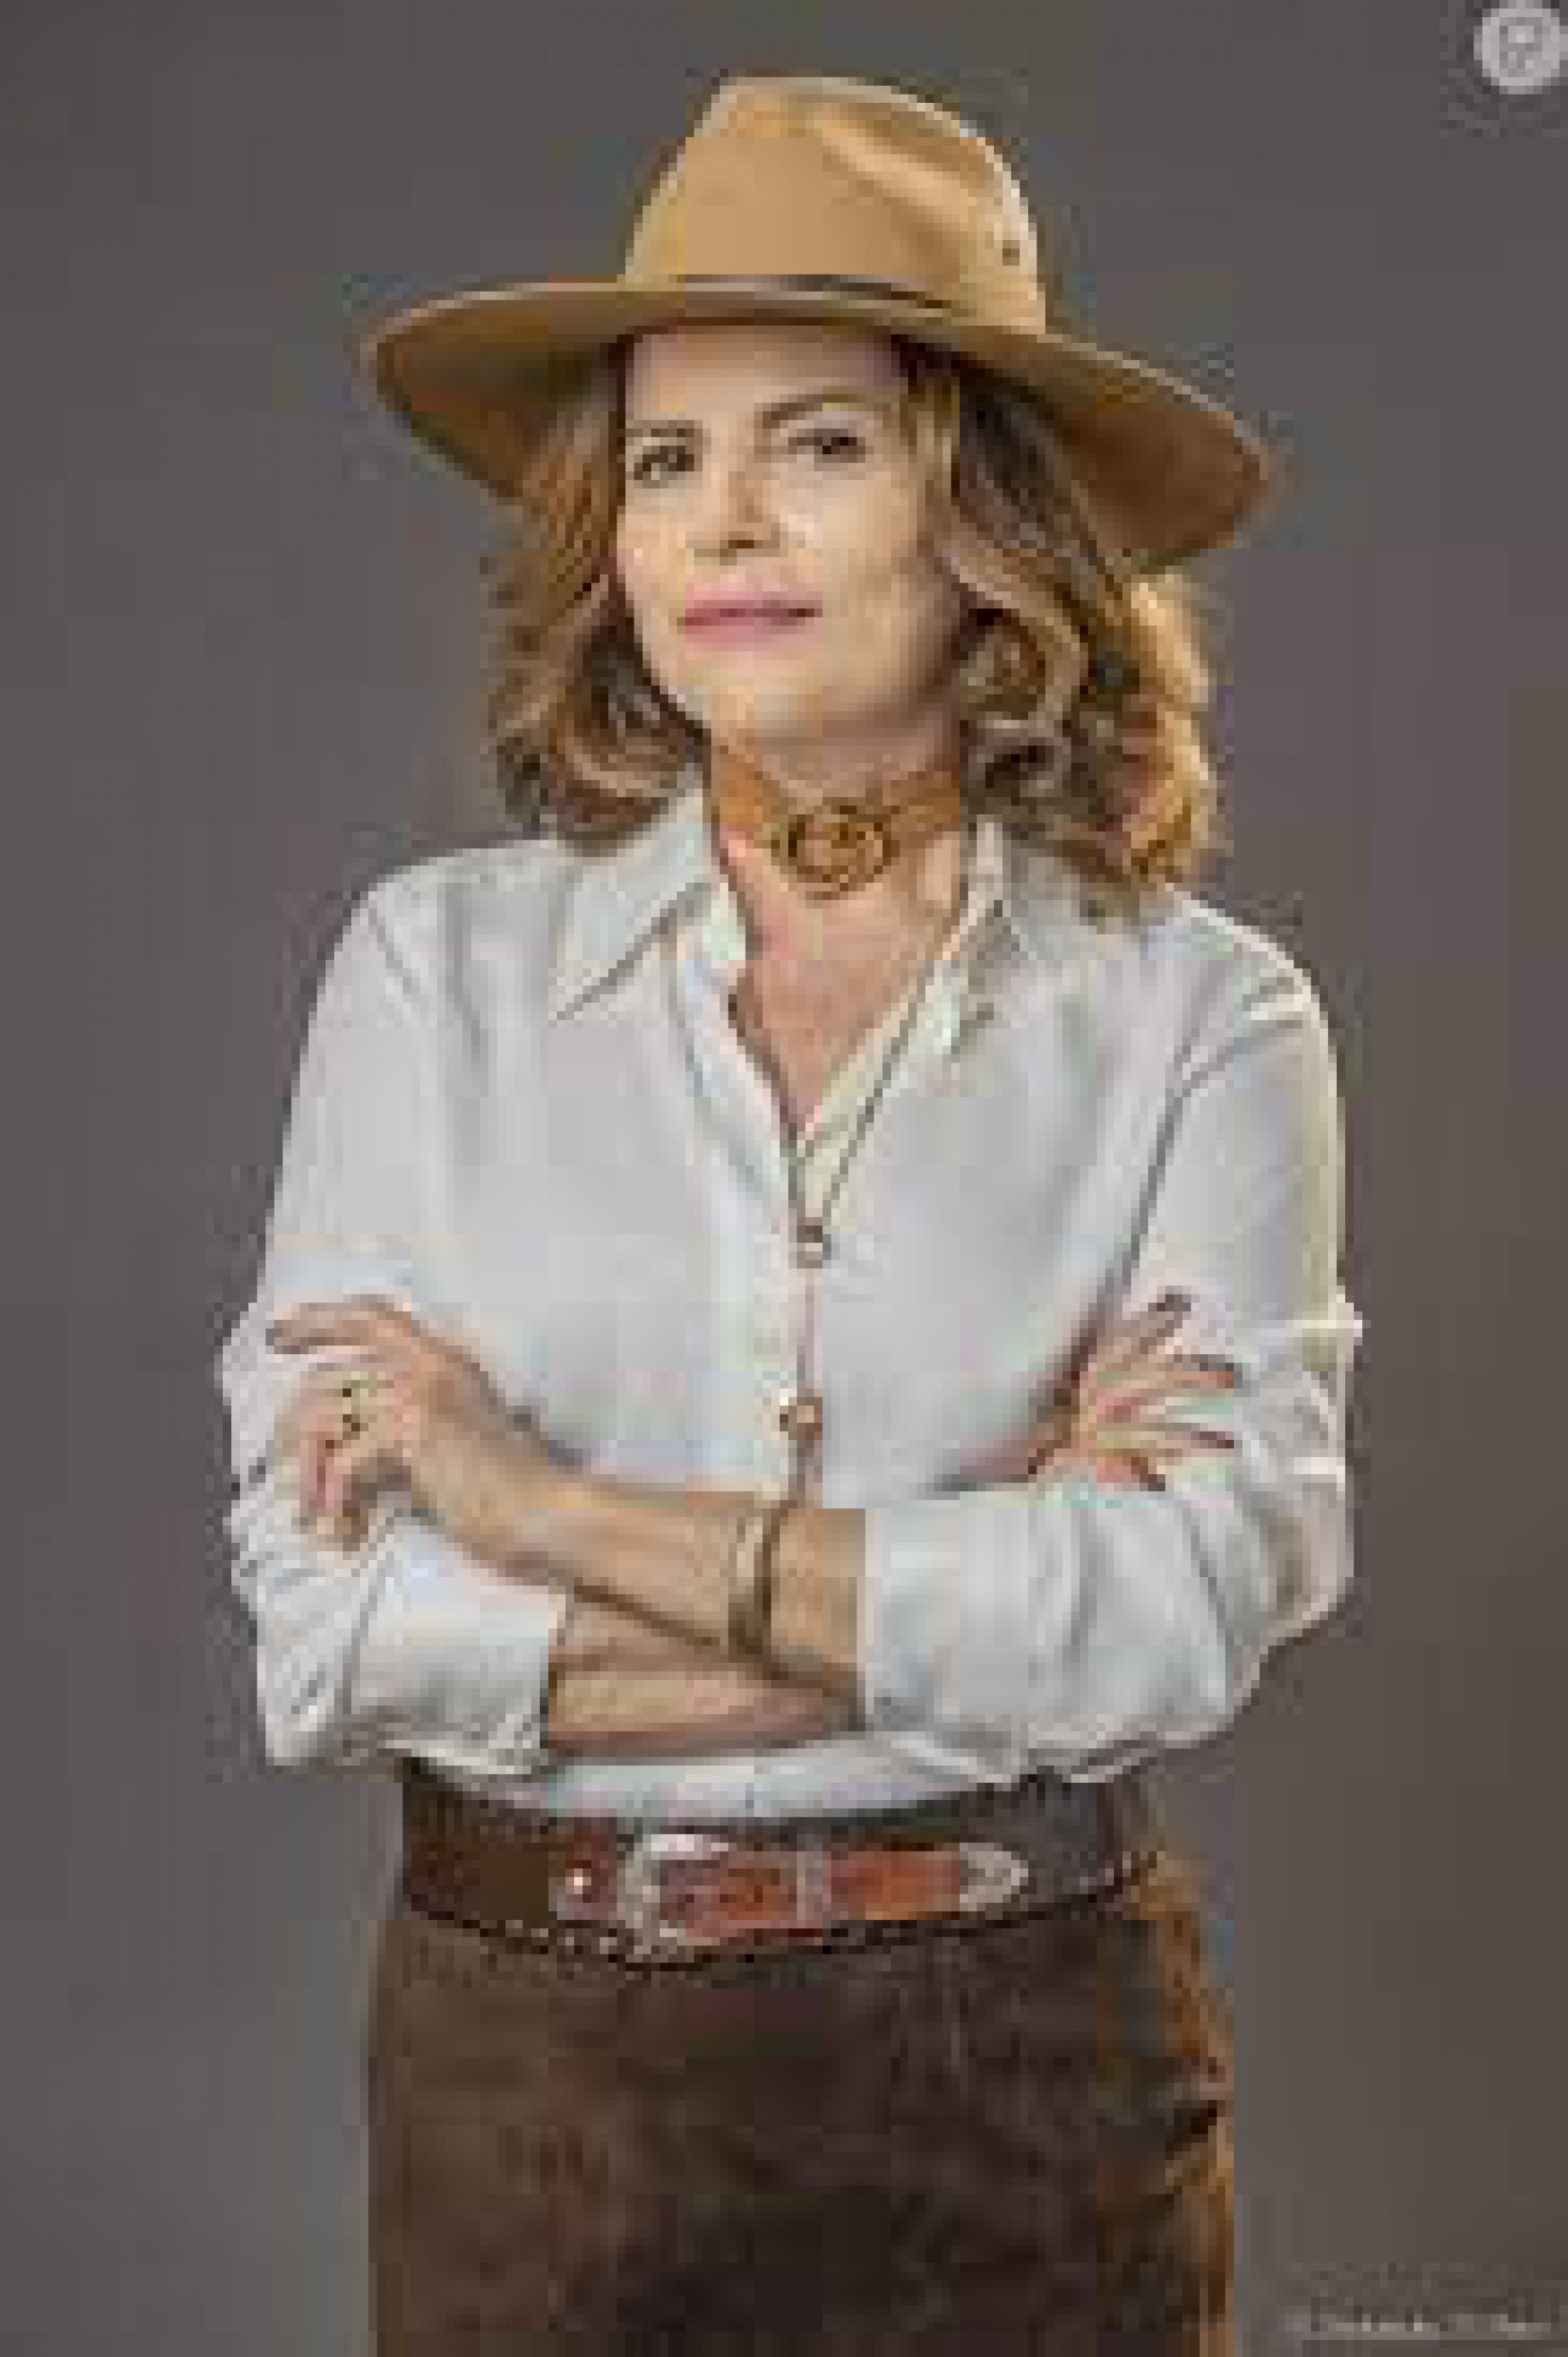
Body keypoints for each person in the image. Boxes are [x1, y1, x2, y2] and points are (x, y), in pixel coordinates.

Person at [214, 71, 1365, 2355]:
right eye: (664, 459)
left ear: (990, 516)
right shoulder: (432, 976)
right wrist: (976, 1584)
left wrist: (534, 1505)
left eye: (819, 443)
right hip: (528, 2081)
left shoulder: (1200, 1015)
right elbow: (325, 1627)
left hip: (1031, 2081)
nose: (722, 519)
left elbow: (1183, 1614)